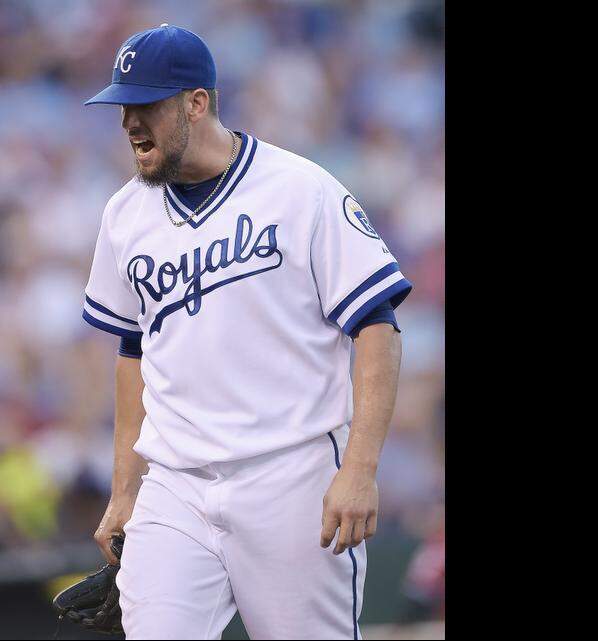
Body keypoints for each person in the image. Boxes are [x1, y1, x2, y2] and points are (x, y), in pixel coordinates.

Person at [81, 24, 411, 640]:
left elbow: (377, 327)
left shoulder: (299, 189)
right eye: (123, 106)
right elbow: (133, 351)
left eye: (146, 105)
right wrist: (126, 489)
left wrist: (360, 467)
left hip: (291, 475)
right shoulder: (124, 213)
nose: (130, 123)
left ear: (196, 102)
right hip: (175, 484)